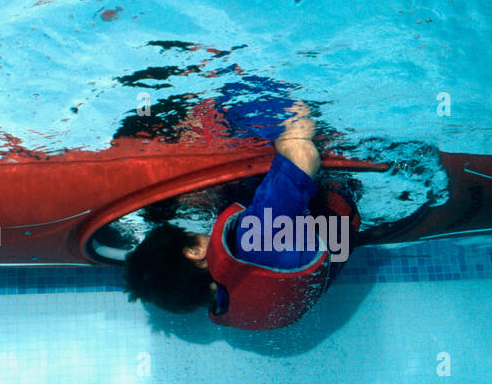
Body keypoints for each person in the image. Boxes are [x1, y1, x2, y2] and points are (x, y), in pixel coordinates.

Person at [122, 99, 359, 330]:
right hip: (335, 194)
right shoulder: (254, 237)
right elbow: (304, 154)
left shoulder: (228, 305)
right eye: (189, 232)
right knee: (233, 105)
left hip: (328, 240)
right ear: (194, 252)